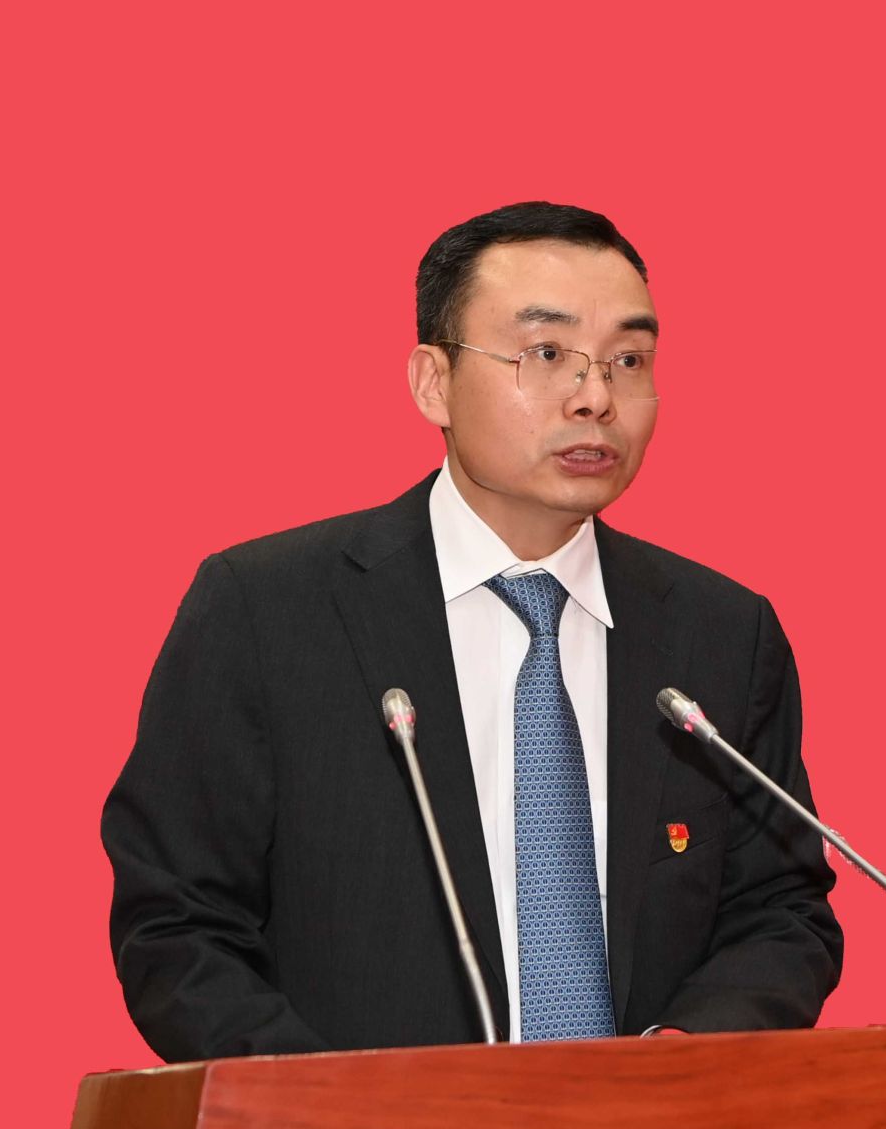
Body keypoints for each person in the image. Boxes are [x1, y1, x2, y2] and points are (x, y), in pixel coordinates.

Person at [101, 202, 841, 1060]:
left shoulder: (723, 633)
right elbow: (177, 924)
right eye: (547, 353)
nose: (596, 397)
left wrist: (677, 1067)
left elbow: (781, 910)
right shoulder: (266, 611)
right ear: (433, 381)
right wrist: (328, 1114)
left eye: (628, 360)